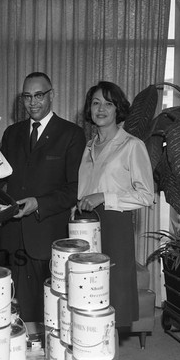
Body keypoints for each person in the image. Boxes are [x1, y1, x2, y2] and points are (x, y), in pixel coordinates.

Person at [0, 72, 86, 322]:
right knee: (15, 309)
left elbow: (75, 188)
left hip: (47, 234)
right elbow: (0, 181)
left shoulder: (71, 134)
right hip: (12, 236)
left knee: (51, 313)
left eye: (39, 95)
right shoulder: (11, 133)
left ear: (51, 95)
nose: (33, 102)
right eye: (27, 96)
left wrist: (39, 203)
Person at [76, 81, 154, 329]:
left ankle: (108, 356)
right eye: (96, 103)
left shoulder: (132, 145)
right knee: (87, 288)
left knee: (113, 291)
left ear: (117, 109)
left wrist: (104, 197)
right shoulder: (88, 146)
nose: (101, 109)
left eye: (108, 103)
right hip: (84, 224)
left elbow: (146, 196)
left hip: (114, 223)